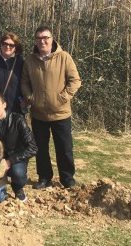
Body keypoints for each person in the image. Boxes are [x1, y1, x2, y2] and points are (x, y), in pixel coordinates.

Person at [21, 26, 82, 189]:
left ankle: (67, 178)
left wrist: (62, 97)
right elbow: (24, 82)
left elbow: (75, 81)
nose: (42, 41)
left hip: (61, 113)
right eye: (39, 38)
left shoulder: (64, 57)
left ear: (52, 39)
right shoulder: (30, 60)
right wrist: (30, 97)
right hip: (38, 113)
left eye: (45, 37)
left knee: (64, 148)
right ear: (35, 40)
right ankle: (44, 177)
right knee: (41, 148)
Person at [0, 91, 37, 202]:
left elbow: (33, 147)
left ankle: (18, 188)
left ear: (4, 105)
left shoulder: (18, 120)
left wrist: (10, 161)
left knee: (17, 173)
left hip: (16, 158)